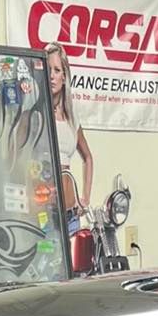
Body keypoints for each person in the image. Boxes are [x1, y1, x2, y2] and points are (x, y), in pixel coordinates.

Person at [45, 41, 94, 214]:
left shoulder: (72, 119)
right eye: (48, 69)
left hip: (71, 214)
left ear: (64, 76)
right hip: (46, 214)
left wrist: (85, 199)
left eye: (57, 70)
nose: (51, 75)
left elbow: (88, 157)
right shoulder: (37, 115)